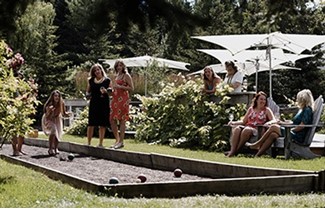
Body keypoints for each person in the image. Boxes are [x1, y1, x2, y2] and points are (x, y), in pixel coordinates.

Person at [247, 89, 314, 157]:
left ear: (303, 99)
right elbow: (294, 123)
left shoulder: (307, 110)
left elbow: (302, 126)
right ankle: (258, 155)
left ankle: (257, 144)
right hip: (293, 132)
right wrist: (283, 122)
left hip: (298, 136)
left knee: (273, 127)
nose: (297, 100)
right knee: (273, 135)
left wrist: (291, 130)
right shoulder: (302, 110)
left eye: (298, 98)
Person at [225, 91, 275, 157]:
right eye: (261, 99)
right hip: (248, 126)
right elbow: (243, 121)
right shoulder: (251, 109)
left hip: (257, 129)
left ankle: (235, 151)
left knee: (246, 130)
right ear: (256, 100)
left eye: (264, 100)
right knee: (237, 129)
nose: (263, 101)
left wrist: (268, 123)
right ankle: (233, 150)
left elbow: (273, 120)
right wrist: (233, 122)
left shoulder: (266, 110)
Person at [110, 60, 134, 149]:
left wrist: (120, 87)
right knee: (112, 119)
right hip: (115, 99)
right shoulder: (116, 76)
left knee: (122, 120)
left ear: (123, 66)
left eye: (120, 65)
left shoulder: (126, 75)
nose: (119, 67)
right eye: (117, 65)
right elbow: (114, 88)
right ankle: (117, 140)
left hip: (123, 99)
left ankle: (121, 141)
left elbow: (132, 88)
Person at [86, 63, 111, 147]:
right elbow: (88, 92)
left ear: (101, 70)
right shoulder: (91, 80)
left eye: (98, 69)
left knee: (102, 124)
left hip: (104, 103)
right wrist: (87, 96)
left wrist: (106, 91)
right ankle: (88, 143)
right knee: (91, 123)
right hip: (94, 103)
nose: (97, 71)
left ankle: (100, 143)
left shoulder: (107, 80)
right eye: (95, 70)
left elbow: (111, 92)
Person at [42, 90, 71, 155]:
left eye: (58, 96)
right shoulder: (49, 104)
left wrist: (68, 114)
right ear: (52, 97)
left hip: (57, 118)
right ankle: (50, 149)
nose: (57, 97)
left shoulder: (61, 103)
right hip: (48, 119)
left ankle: (56, 148)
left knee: (58, 133)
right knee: (53, 130)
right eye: (55, 96)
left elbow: (63, 113)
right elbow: (47, 116)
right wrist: (49, 111)